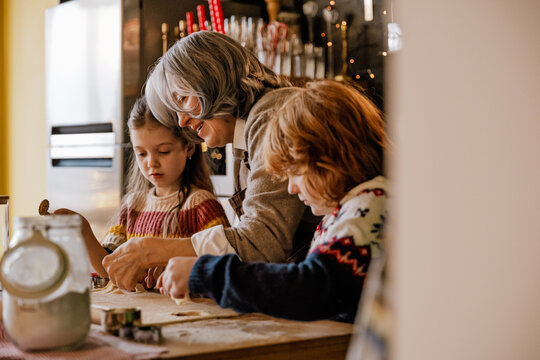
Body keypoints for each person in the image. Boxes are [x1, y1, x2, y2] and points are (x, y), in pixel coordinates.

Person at [156, 80, 389, 323]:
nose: (291, 187)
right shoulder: (347, 213)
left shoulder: (371, 204)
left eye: (295, 171)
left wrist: (205, 274)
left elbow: (309, 289)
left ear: (330, 157)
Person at [103, 31, 319, 290]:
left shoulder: (272, 114)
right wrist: (185, 259)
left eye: (183, 99)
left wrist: (154, 250)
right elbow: (245, 248)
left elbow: (261, 243)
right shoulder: (243, 141)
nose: (181, 121)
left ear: (212, 79)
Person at [55, 97, 229, 287]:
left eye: (163, 151)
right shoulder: (133, 205)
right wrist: (83, 230)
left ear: (188, 147)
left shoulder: (201, 206)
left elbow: (226, 268)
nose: (151, 163)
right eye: (142, 154)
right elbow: (110, 268)